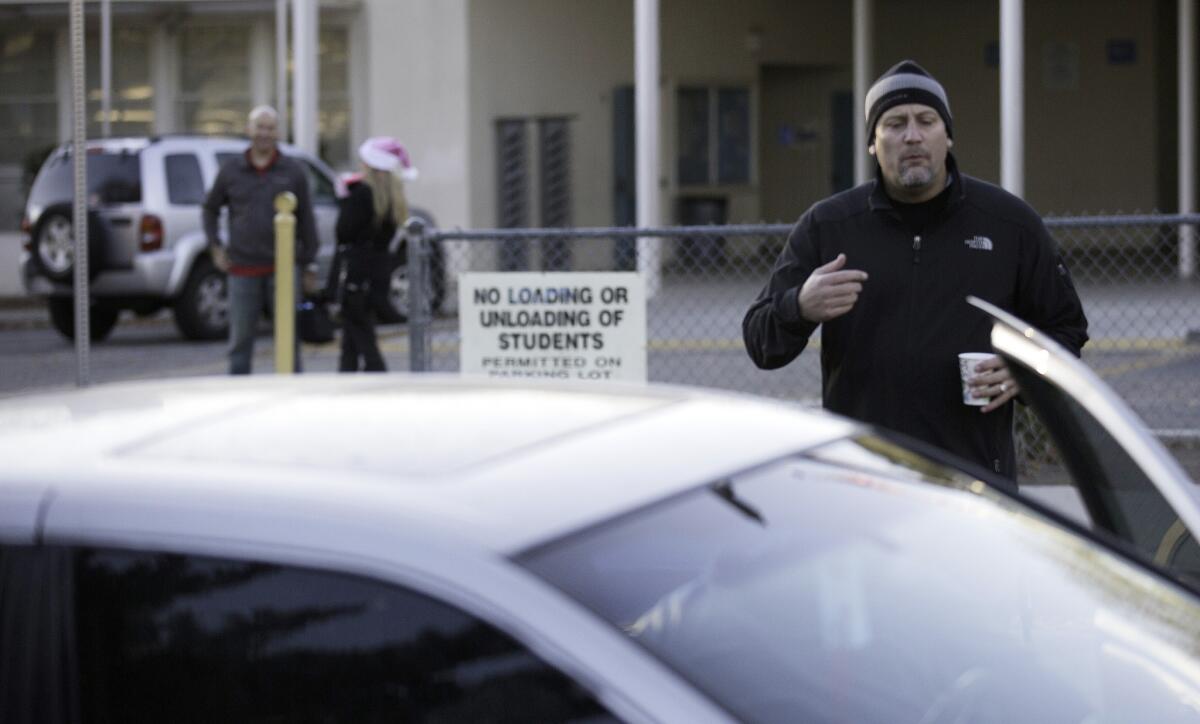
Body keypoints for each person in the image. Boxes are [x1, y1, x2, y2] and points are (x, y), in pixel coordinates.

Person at [742, 60, 1088, 481]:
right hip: (863, 473)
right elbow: (760, 342)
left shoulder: (1009, 224)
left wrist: (1027, 371)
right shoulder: (829, 226)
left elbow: (1067, 329)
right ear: (873, 141)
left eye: (927, 120)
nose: (912, 135)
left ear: (948, 136)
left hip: (976, 478)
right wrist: (799, 306)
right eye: (894, 124)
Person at [203, 105, 319, 374]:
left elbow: (307, 220)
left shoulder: (293, 170)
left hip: (285, 269)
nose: (264, 134)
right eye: (259, 127)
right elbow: (210, 209)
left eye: (270, 128)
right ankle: (239, 396)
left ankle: (292, 395)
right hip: (242, 268)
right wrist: (215, 247)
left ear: (278, 132)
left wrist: (309, 264)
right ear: (248, 130)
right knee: (241, 340)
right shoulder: (231, 170)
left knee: (288, 338)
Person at [334, 136, 417, 372]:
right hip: (378, 271)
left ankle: (377, 373)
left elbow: (343, 232)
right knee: (353, 332)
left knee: (361, 332)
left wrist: (344, 200)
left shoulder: (361, 195)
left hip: (357, 273)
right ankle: (345, 375)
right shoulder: (393, 199)